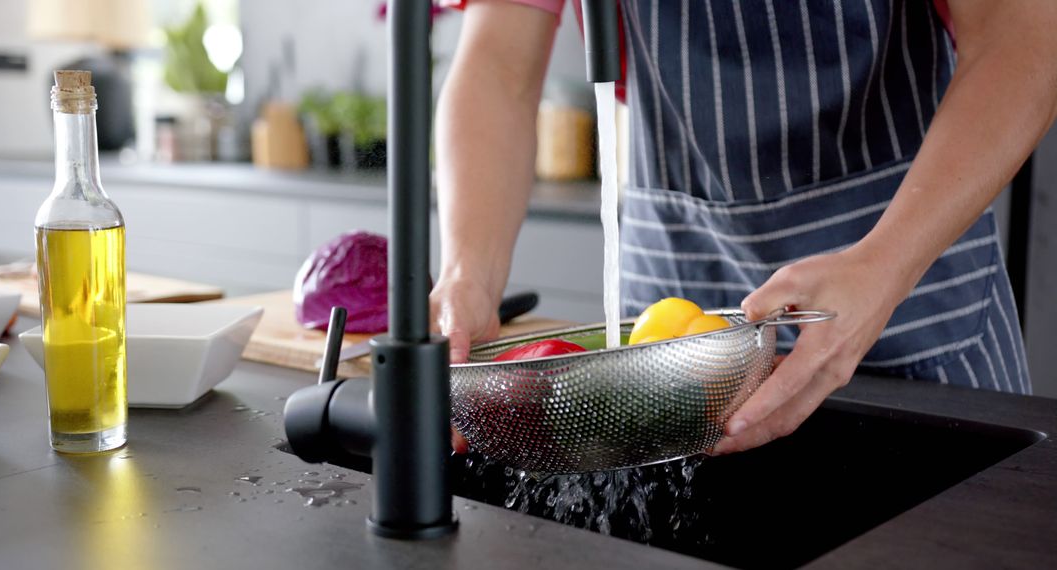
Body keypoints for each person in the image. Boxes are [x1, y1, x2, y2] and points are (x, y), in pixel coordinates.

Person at [430, 0, 1057, 454]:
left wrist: (885, 264)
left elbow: (1024, 35)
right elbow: (499, 69)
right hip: (666, 320)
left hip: (912, 306)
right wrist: (469, 275)